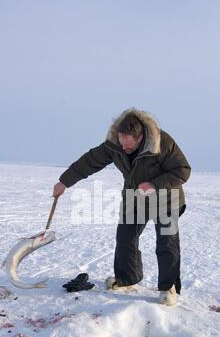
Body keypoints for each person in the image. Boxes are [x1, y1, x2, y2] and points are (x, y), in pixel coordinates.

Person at [53, 108, 191, 306]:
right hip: (135, 197)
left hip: (166, 199)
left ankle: (167, 288)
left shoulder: (162, 142)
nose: (123, 149)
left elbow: (182, 171)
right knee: (125, 237)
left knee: (166, 242)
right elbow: (89, 162)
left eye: (128, 147)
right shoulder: (115, 145)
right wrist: (64, 182)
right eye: (121, 144)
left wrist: (154, 184)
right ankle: (127, 280)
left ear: (141, 137)